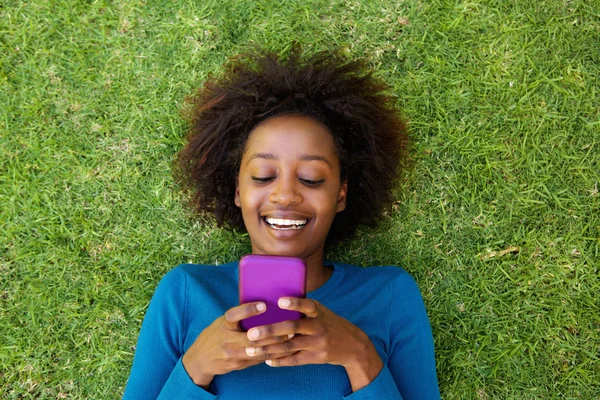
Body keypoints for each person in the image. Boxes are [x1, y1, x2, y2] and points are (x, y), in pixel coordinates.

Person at [123, 49, 440, 399]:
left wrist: (358, 354)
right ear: (237, 190)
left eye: (311, 178)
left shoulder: (390, 294)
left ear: (341, 195)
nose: (285, 195)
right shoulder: (184, 293)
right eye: (263, 176)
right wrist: (196, 366)